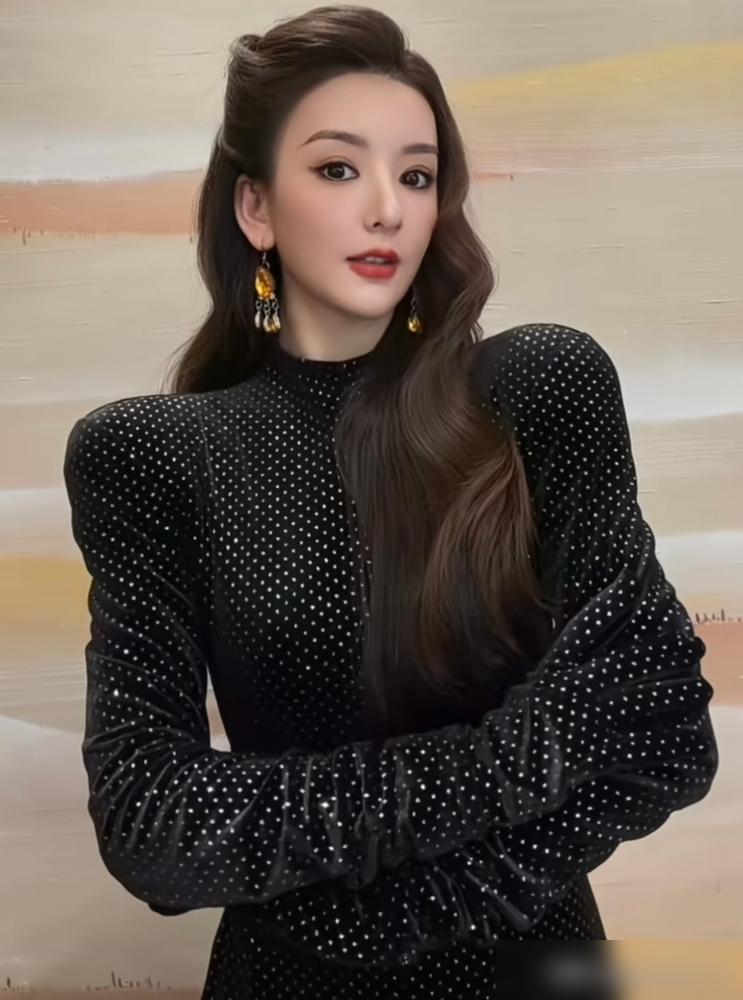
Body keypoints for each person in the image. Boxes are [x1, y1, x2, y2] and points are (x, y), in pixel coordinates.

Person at [62, 5, 718, 999]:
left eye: (415, 176)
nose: (386, 210)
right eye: (338, 169)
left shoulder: (538, 390)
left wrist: (394, 908)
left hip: (530, 970)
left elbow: (664, 735)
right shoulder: (151, 455)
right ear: (255, 208)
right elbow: (151, 820)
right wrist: (509, 759)